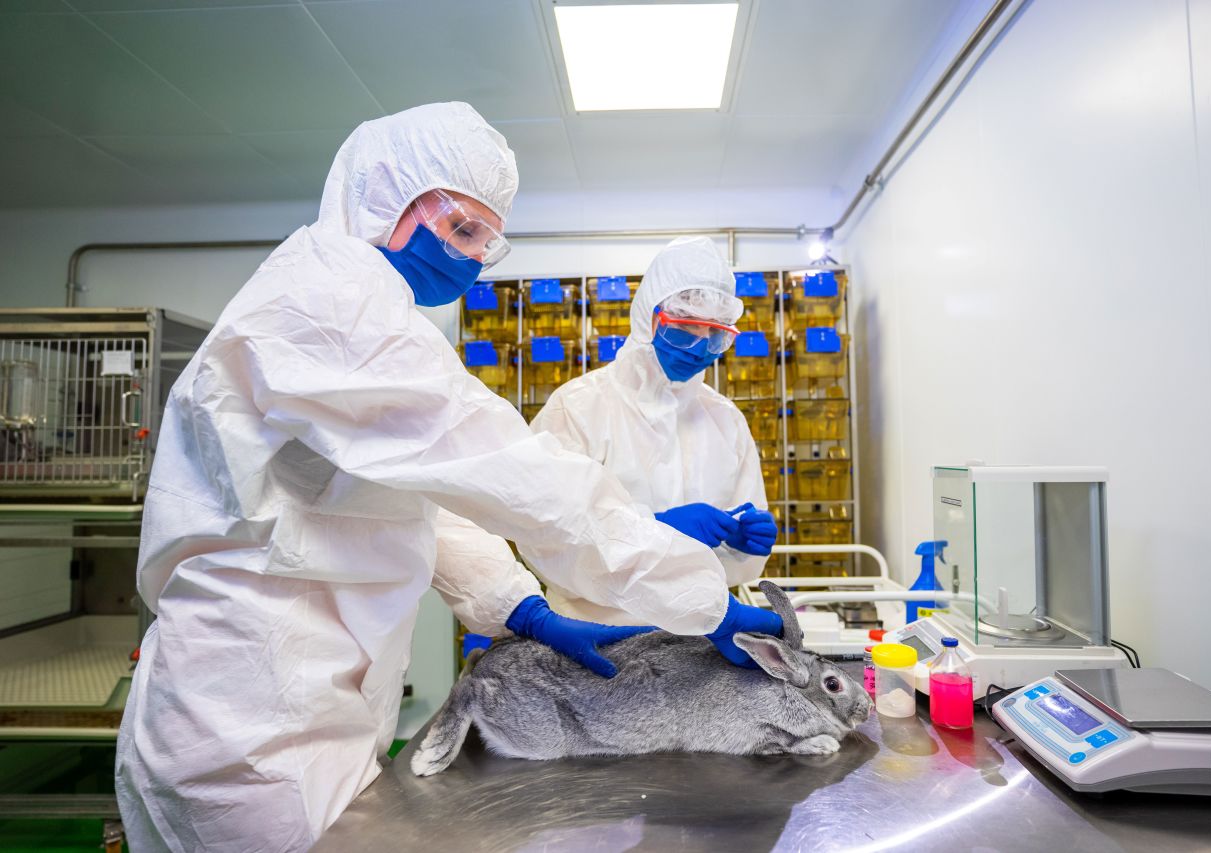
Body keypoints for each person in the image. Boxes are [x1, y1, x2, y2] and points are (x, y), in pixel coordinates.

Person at [113, 103, 781, 852]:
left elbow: (426, 505)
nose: (469, 259)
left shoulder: (372, 313)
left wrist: (519, 607)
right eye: (461, 229)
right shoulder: (328, 308)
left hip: (309, 704)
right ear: (381, 192)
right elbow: (522, 480)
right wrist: (700, 600)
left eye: (485, 241)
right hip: (246, 721)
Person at [529, 236, 778, 629]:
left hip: (697, 641)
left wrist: (743, 543)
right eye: (682, 331)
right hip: (597, 634)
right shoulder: (577, 407)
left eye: (714, 336)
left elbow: (736, 561)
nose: (698, 350)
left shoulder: (724, 419)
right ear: (648, 318)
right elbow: (546, 537)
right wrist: (653, 527)